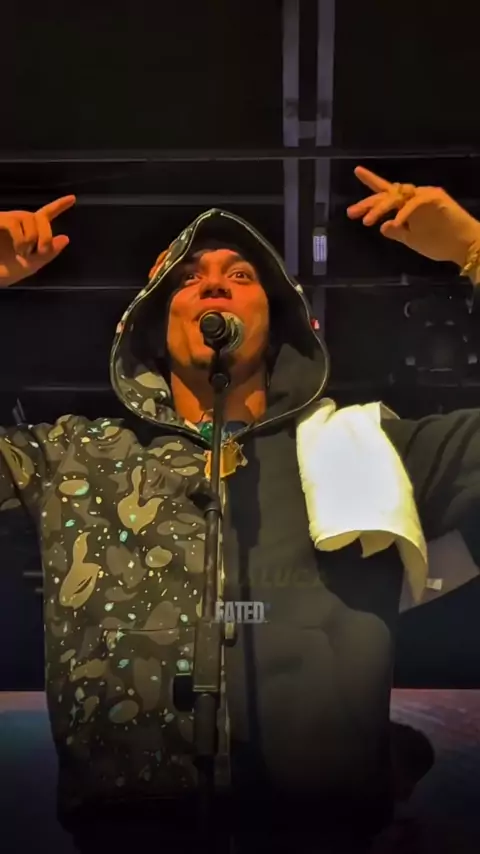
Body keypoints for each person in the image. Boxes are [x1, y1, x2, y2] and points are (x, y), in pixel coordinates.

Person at [0, 189, 479, 854]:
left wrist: (473, 250)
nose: (214, 284)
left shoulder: (370, 450)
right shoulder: (71, 456)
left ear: (279, 323)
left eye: (242, 274)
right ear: (150, 324)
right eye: (187, 278)